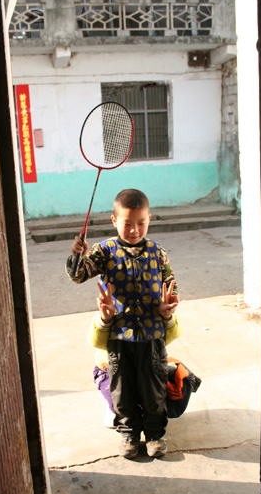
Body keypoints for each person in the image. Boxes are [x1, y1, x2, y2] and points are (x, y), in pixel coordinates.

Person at [66, 188, 179, 458]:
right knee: (122, 390)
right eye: (127, 224)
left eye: (141, 223)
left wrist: (167, 307)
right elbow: (78, 275)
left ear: (149, 218)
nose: (134, 230)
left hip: (152, 337)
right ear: (114, 220)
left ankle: (154, 435)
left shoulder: (158, 253)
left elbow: (172, 290)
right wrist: (77, 255)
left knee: (154, 389)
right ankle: (129, 435)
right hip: (119, 337)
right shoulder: (105, 251)